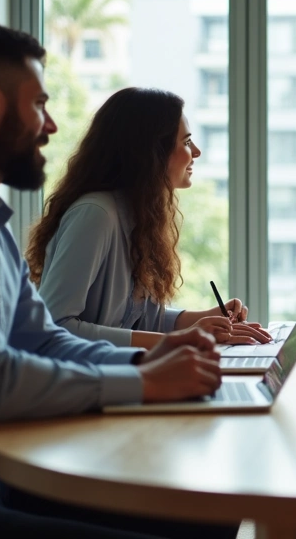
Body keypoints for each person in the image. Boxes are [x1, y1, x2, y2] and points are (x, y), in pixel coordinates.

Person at [0, 18, 236, 539]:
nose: (51, 125)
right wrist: (144, 381)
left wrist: (148, 359)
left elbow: (43, 338)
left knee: (209, 517)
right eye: (38, 104)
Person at [26, 87, 268, 350]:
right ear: (152, 152)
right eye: (186, 142)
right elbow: (55, 326)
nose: (196, 152)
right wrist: (175, 341)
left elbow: (140, 320)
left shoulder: (137, 216)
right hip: (83, 386)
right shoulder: (96, 215)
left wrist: (202, 320)